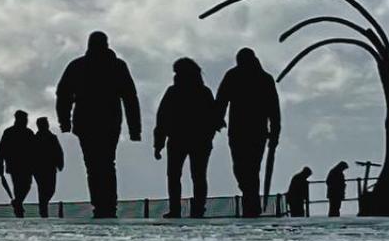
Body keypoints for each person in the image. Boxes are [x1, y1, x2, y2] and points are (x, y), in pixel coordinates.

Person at [55, 31, 141, 219]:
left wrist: (65, 122)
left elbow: (63, 95)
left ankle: (101, 205)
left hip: (87, 122)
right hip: (109, 120)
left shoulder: (78, 66)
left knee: (93, 165)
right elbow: (130, 98)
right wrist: (135, 129)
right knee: (107, 164)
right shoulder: (117, 66)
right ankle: (108, 205)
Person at [214, 48, 281, 218]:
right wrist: (217, 119)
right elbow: (222, 100)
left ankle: (251, 203)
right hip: (240, 131)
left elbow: (273, 109)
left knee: (249, 169)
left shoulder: (264, 79)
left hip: (253, 131)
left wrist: (275, 133)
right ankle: (251, 199)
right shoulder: (235, 76)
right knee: (243, 169)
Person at [153, 57, 217, 219]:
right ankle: (198, 209)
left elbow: (162, 119)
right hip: (200, 140)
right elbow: (213, 118)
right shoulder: (204, 92)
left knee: (174, 176)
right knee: (199, 176)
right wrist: (208, 137)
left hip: (177, 139)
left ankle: (175, 209)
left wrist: (158, 143)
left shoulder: (173, 92)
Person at [0, 110, 37, 218]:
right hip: (16, 164)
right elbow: (2, 149)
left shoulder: (28, 132)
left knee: (26, 185)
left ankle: (17, 202)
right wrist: (0, 163)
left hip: (26, 164)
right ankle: (18, 204)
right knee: (19, 186)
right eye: (24, 119)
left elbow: (35, 150)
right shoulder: (9, 132)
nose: (26, 121)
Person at [33, 116, 65, 218]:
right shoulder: (36, 138)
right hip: (40, 168)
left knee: (50, 189)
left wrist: (60, 164)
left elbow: (58, 152)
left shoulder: (52, 137)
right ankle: (43, 210)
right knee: (43, 189)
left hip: (50, 167)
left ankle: (43, 207)